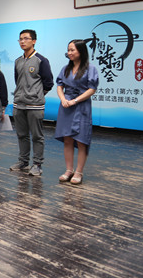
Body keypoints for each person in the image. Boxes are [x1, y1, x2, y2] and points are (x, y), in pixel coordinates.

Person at [10, 29, 54, 176]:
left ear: (34, 41)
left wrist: (37, 94)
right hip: (19, 104)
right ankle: (23, 161)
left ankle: (37, 164)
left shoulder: (41, 60)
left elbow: (48, 83)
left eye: (26, 38)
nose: (22, 41)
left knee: (37, 136)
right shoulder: (18, 61)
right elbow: (17, 81)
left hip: (35, 104)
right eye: (20, 39)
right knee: (21, 135)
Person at [55, 39, 99, 185]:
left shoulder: (90, 68)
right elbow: (59, 86)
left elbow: (92, 89)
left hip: (81, 106)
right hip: (66, 106)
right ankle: (69, 170)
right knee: (67, 139)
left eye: (72, 50)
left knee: (81, 140)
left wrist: (75, 100)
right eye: (68, 50)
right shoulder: (65, 68)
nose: (69, 52)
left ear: (81, 51)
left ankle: (79, 172)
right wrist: (63, 99)